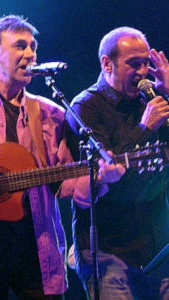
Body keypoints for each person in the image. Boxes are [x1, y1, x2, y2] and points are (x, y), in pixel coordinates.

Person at [0, 15, 125, 300]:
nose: (30, 54)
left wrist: (99, 179)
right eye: (20, 46)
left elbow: (66, 185)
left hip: (36, 245)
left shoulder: (50, 114)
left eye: (33, 47)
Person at [67, 26, 169, 300]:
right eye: (134, 63)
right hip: (107, 250)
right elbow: (107, 162)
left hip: (156, 245)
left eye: (147, 62)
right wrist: (145, 128)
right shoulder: (85, 107)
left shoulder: (152, 99)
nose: (143, 71)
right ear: (107, 63)